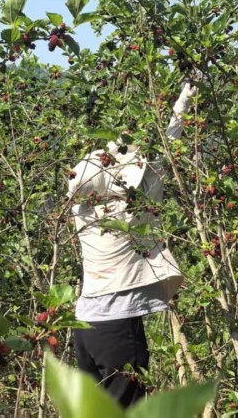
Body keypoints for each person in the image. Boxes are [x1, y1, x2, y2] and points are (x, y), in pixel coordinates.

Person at [66, 80, 197, 406]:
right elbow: (168, 149)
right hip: (117, 329)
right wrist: (184, 100)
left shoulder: (81, 208)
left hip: (82, 327)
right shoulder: (134, 204)